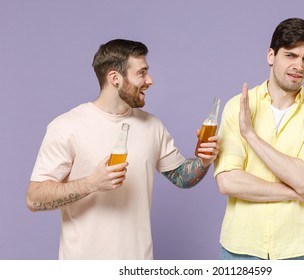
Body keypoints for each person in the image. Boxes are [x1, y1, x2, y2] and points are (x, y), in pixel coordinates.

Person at [27, 39, 219, 260]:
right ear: (115, 78)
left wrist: (204, 161)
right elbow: (34, 199)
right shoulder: (66, 127)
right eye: (142, 73)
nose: (150, 80)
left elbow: (182, 178)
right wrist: (91, 183)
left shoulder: (152, 125)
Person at [214, 18, 304, 260]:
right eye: (290, 55)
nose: (299, 65)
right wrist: (298, 194)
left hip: (297, 251)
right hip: (240, 249)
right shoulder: (237, 107)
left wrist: (251, 135)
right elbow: (229, 182)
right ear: (271, 56)